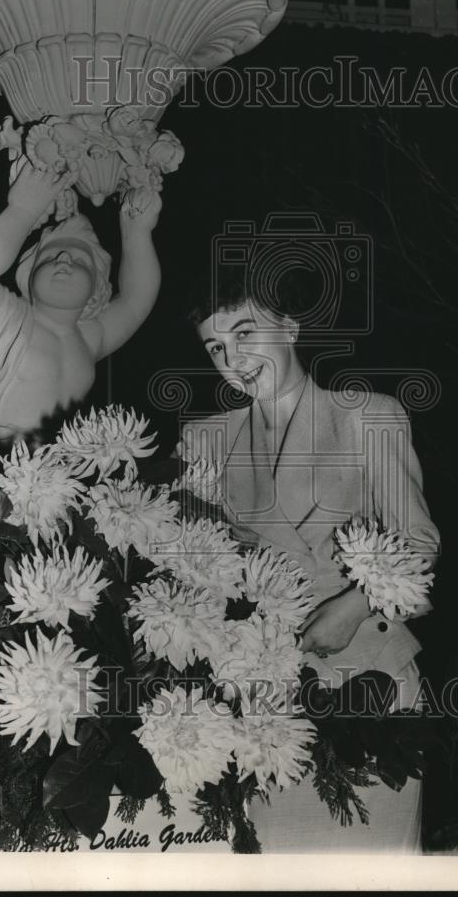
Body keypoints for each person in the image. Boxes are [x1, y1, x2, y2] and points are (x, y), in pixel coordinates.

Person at [179, 264, 440, 852]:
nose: (233, 359)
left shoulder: (367, 418)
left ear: (290, 327)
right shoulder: (204, 441)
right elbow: (196, 571)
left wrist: (354, 604)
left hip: (374, 683)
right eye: (216, 347)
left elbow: (419, 548)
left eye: (246, 334)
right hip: (267, 708)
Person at [0, 165, 162, 491]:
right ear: (28, 276)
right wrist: (23, 209)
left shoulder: (90, 337)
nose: (64, 261)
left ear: (97, 290)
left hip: (61, 468)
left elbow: (136, 300)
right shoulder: (11, 318)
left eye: (79, 261)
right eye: (51, 257)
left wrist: (136, 232)